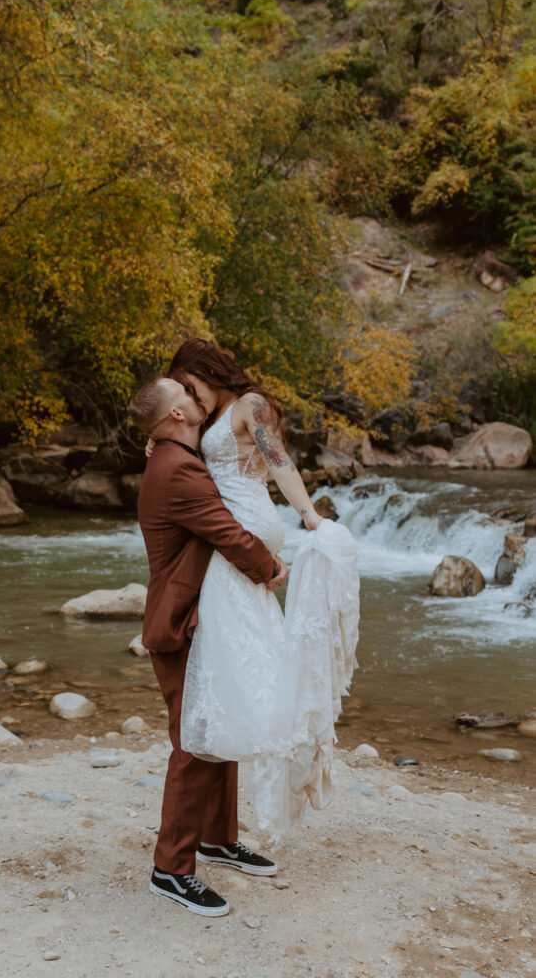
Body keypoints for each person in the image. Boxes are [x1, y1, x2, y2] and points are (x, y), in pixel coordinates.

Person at [163, 338, 359, 839]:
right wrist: (159, 438)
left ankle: (248, 729)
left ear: (209, 371)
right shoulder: (211, 416)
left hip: (244, 533)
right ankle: (231, 749)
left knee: (240, 655)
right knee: (248, 649)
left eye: (190, 385)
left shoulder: (250, 405)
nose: (188, 396)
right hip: (235, 536)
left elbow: (279, 461)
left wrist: (309, 515)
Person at [128, 375, 289, 918]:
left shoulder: (174, 458)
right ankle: (170, 869)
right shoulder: (178, 470)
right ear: (176, 415)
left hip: (200, 613)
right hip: (180, 621)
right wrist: (269, 569)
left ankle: (217, 839)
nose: (197, 401)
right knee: (194, 739)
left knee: (217, 722)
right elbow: (226, 531)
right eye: (186, 396)